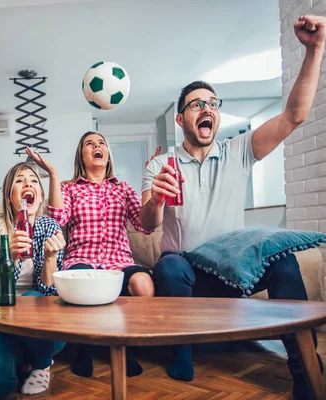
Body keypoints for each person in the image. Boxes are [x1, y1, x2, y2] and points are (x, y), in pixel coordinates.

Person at [140, 15, 326, 399]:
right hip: (186, 277)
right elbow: (146, 222)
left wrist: (313, 50)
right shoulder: (161, 163)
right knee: (171, 265)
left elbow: (294, 116)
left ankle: (304, 368)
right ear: (181, 119)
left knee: (285, 264)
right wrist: (157, 198)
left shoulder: (238, 151)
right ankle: (182, 353)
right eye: (195, 104)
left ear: (217, 114)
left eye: (211, 103)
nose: (205, 108)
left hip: (233, 273)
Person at [29, 133, 154, 378]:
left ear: (107, 154)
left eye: (101, 143)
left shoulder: (123, 188)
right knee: (78, 283)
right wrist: (53, 175)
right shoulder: (69, 188)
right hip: (81, 260)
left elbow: (144, 225)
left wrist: (149, 182)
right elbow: (57, 219)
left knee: (143, 283)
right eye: (90, 144)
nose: (97, 146)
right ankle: (83, 348)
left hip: (119, 261)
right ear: (82, 156)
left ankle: (124, 347)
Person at [0, 162, 66, 398]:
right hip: (3, 321)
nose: (28, 184)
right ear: (10, 196)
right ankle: (25, 357)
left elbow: (51, 296)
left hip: (44, 326)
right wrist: (11, 257)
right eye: (20, 180)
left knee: (34, 299)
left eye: (34, 180)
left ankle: (41, 363)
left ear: (41, 194)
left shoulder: (50, 228)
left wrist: (49, 258)